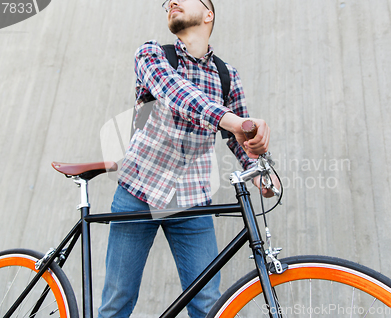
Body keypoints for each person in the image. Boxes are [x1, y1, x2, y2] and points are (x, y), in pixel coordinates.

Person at [98, 0, 274, 317]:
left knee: (208, 304)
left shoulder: (226, 76)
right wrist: (233, 122)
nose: (172, 2)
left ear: (209, 14)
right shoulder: (152, 55)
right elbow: (178, 94)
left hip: (192, 202)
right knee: (118, 301)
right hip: (138, 193)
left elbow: (241, 141)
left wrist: (260, 166)